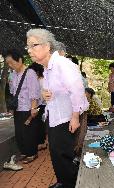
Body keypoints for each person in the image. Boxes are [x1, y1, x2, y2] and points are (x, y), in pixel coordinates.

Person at [26, 28, 89, 188]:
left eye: (34, 45)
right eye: (28, 47)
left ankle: (72, 184)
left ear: (47, 46)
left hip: (66, 119)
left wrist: (75, 117)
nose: (29, 50)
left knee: (64, 154)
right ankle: (63, 182)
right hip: (54, 117)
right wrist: (45, 94)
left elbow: (77, 89)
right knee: (55, 153)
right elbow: (53, 91)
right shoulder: (47, 68)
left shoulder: (62, 63)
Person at [4, 49, 41, 164]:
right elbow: (12, 91)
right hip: (18, 108)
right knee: (19, 132)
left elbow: (34, 93)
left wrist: (33, 108)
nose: (10, 65)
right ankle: (24, 152)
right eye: (8, 63)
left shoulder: (30, 73)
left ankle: (32, 153)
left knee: (28, 132)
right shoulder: (13, 74)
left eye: (11, 62)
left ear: (19, 60)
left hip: (28, 108)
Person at [28, 62, 48, 150]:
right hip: (39, 105)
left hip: (41, 105)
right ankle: (41, 142)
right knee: (39, 124)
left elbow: (43, 95)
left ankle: (42, 143)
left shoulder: (42, 81)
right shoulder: (38, 80)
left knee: (40, 125)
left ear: (37, 72)